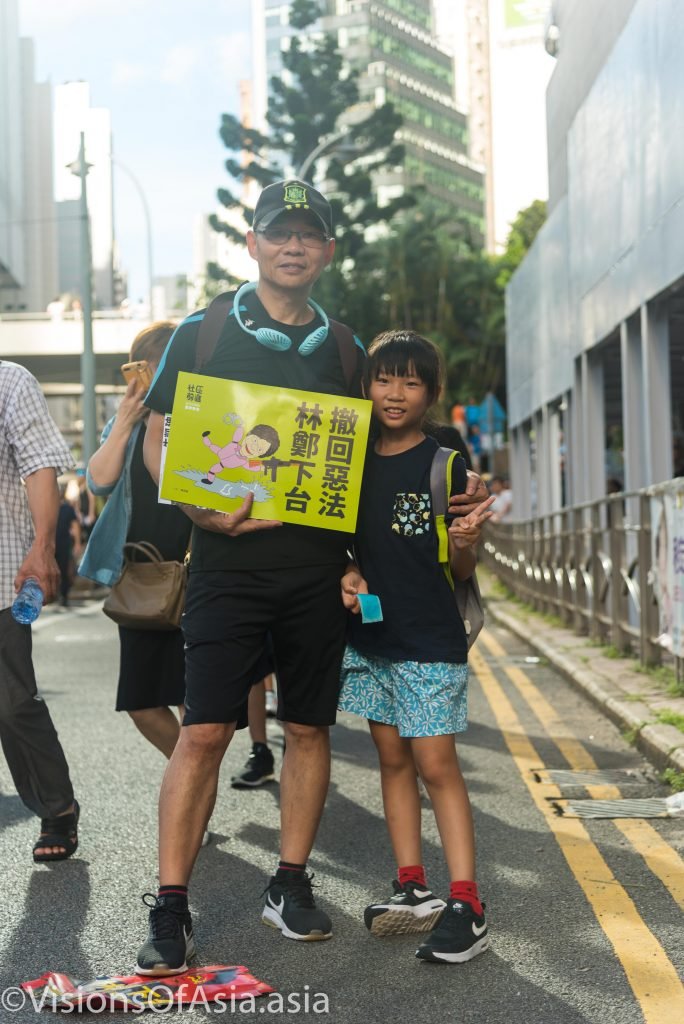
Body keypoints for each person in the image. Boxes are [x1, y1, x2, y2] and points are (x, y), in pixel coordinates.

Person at [135, 178, 488, 975]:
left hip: (318, 575)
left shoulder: (346, 351)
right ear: (253, 243)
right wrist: (199, 509)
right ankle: (170, 906)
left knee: (308, 727)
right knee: (203, 732)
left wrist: (456, 496)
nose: (292, 245)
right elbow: (159, 441)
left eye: (309, 234)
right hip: (224, 567)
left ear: (327, 251)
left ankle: (290, 883)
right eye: (277, 232)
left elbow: (382, 451)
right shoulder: (204, 329)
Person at [339, 330, 494, 964]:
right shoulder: (347, 460)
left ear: (431, 393)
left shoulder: (446, 465)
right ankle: (411, 885)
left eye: (410, 382)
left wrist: (465, 539)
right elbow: (345, 548)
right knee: (394, 761)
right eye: (384, 379)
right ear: (367, 386)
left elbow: (461, 571)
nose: (394, 393)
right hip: (372, 638)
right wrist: (345, 575)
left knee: (437, 766)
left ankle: (468, 902)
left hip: (430, 639)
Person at [79, 323, 192, 761]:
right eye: (143, 368)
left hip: (197, 570)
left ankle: (192, 799)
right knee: (142, 703)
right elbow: (98, 481)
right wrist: (126, 419)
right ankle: (194, 779)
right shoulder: (128, 422)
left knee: (195, 701)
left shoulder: (202, 418)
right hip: (142, 575)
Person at [0, 360, 80, 862]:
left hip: (3, 572)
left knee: (10, 702)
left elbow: (38, 464)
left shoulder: (10, 381)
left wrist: (44, 545)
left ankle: (58, 806)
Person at [55, 482, 82, 607]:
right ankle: (55, 594)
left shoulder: (67, 508)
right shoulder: (48, 507)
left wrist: (77, 543)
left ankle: (64, 595)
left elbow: (75, 526)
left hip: (64, 543)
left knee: (64, 570)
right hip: (51, 543)